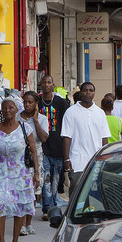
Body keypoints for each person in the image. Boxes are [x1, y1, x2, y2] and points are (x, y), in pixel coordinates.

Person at [0, 98, 40, 242]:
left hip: (20, 174)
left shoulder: (25, 128)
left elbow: (33, 151)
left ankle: (15, 241)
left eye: (11, 108)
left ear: (16, 110)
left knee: (19, 207)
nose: (7, 110)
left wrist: (37, 174)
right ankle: (1, 240)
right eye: (4, 108)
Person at [35, 75, 69, 220]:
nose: (46, 85)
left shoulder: (61, 103)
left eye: (49, 82)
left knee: (55, 179)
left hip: (58, 147)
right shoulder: (37, 102)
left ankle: (53, 207)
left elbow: (67, 125)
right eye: (44, 82)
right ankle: (47, 209)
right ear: (41, 85)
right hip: (43, 147)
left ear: (53, 84)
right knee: (46, 178)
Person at [63, 82, 112, 182]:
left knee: (94, 194)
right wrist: (67, 159)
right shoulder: (70, 112)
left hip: (96, 162)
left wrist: (103, 159)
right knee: (76, 194)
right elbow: (66, 137)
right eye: (85, 90)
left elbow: (104, 138)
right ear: (81, 93)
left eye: (91, 91)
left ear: (94, 93)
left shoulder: (100, 113)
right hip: (77, 163)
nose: (88, 93)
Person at [17, 91, 47, 237]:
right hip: (20, 157)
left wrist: (35, 120)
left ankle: (29, 223)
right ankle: (21, 224)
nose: (27, 105)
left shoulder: (42, 119)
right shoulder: (17, 118)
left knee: (34, 191)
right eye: (25, 102)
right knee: (22, 190)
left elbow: (44, 138)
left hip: (36, 156)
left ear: (36, 104)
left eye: (30, 102)